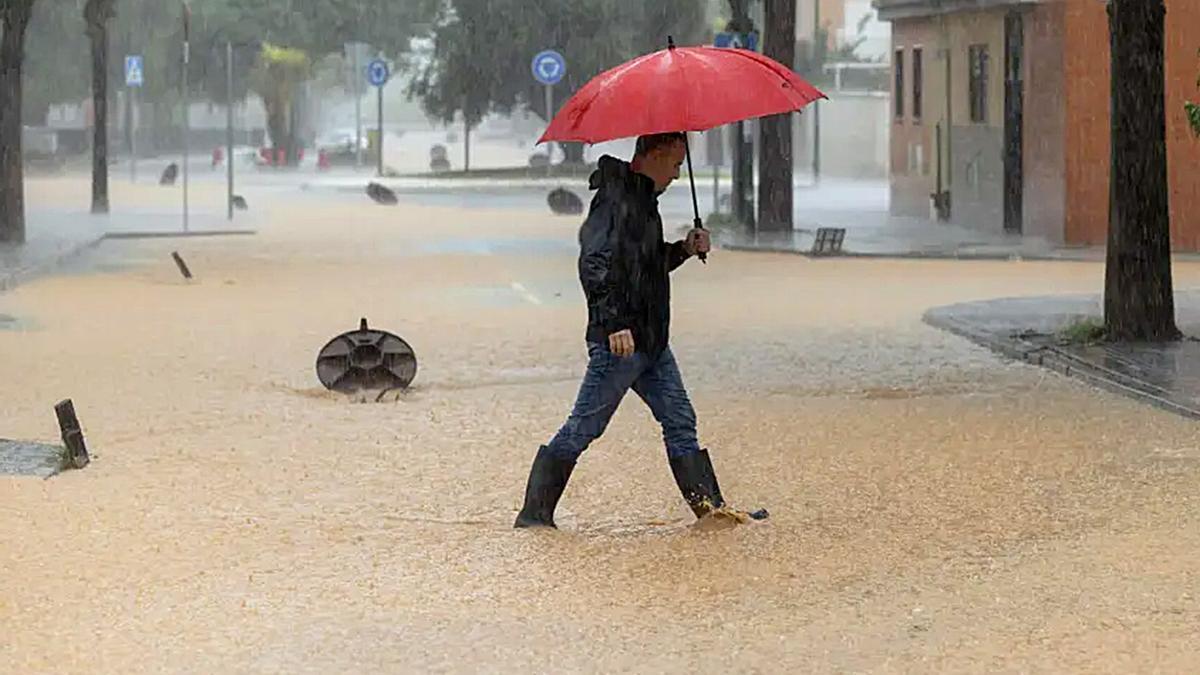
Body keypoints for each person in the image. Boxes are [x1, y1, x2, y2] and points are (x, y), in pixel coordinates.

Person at [515, 132, 734, 529]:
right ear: (654, 155)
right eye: (675, 164)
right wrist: (613, 322)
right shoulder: (615, 200)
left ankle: (714, 514)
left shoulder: (646, 201)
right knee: (584, 427)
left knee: (680, 421)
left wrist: (683, 249)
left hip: (651, 342)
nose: (678, 174)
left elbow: (644, 270)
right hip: (620, 343)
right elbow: (593, 264)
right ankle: (534, 517)